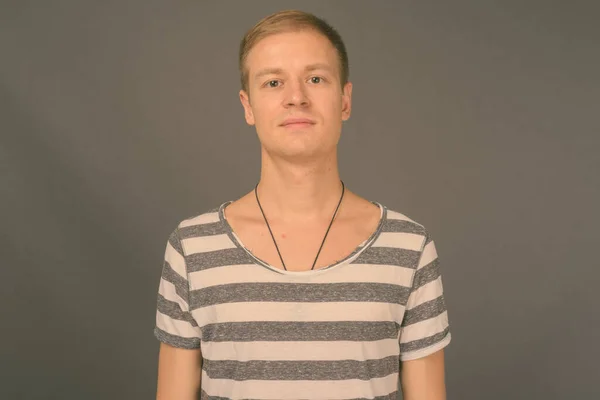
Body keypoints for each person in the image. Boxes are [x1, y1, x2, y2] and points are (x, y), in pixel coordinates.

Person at [154, 9, 451, 400]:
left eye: (315, 78)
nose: (296, 97)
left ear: (344, 100)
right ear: (247, 106)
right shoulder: (192, 249)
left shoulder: (409, 249)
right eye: (273, 82)